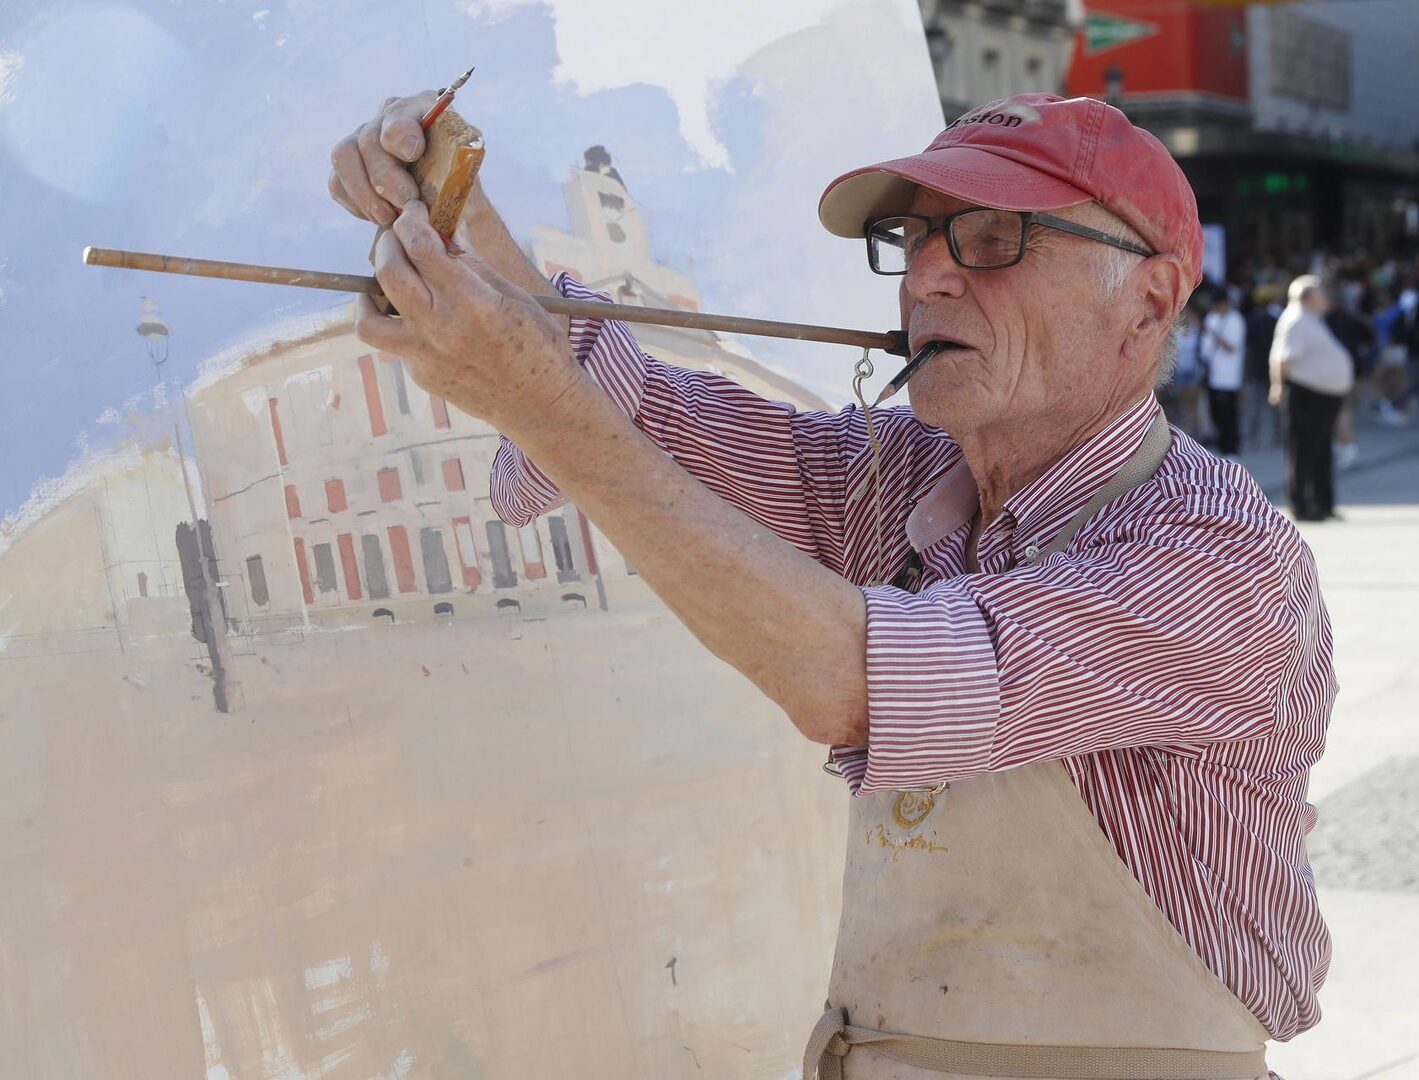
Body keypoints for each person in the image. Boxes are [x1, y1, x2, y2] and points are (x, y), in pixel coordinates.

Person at [331, 91, 1334, 1079]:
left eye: (993, 237)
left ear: (1148, 301)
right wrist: (454, 226)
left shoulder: (1216, 557)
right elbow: (633, 411)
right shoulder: (898, 471)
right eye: (915, 236)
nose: (927, 276)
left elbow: (854, 681)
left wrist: (542, 404)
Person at [1270, 276, 1354, 522]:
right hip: (1305, 394)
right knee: (1303, 450)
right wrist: (1277, 386)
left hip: (1322, 395)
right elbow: (1281, 358)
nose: (1326, 297)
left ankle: (1323, 503)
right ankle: (1302, 506)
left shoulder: (1311, 319)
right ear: (1307, 297)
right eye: (1321, 292)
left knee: (1321, 450)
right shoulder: (1295, 319)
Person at [1200, 289, 1246, 455]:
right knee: (1215, 412)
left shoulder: (1236, 320)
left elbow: (1232, 347)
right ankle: (1221, 446)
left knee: (1229, 414)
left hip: (1229, 377)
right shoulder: (1211, 318)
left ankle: (1232, 448)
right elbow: (1205, 349)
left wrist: (1214, 334)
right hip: (1213, 374)